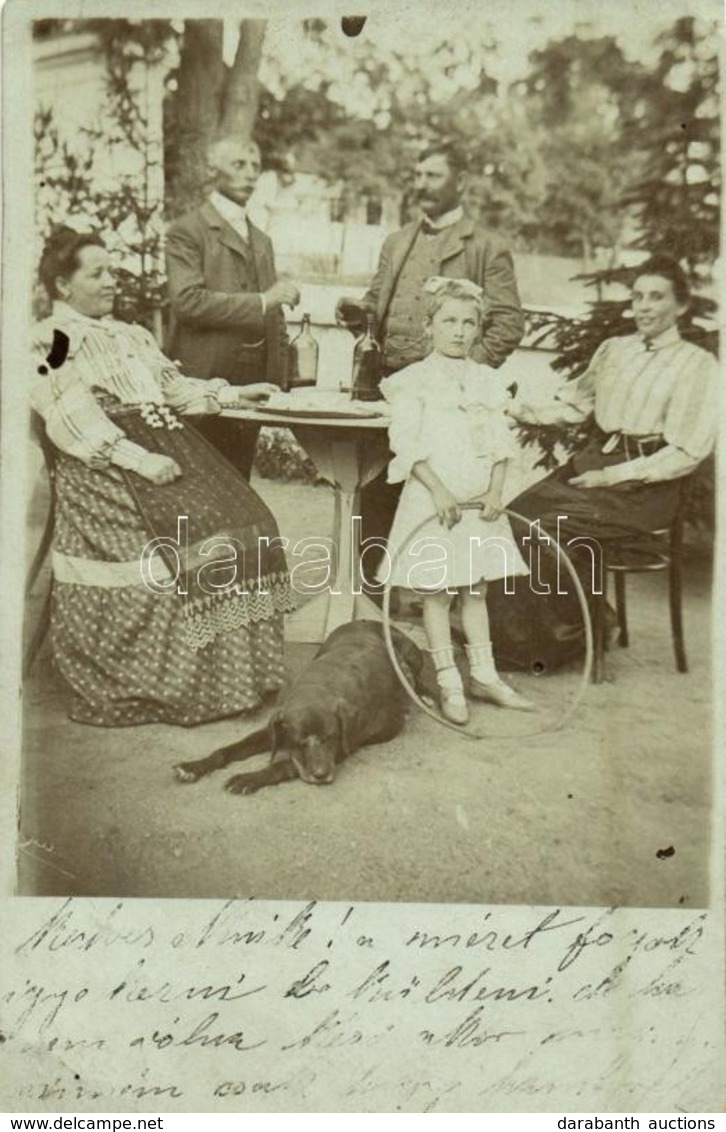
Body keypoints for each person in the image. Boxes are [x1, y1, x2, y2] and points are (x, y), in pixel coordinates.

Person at [31, 227, 296, 727]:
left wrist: (237, 393)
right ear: (64, 286)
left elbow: (174, 391)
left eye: (111, 270)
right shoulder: (53, 339)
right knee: (197, 535)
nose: (111, 282)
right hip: (107, 469)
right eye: (98, 273)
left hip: (164, 445)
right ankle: (177, 682)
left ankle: (239, 677)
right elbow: (69, 417)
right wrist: (137, 459)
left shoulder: (128, 334)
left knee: (249, 517)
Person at [492, 253, 719, 668]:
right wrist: (513, 408)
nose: (644, 306)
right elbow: (576, 405)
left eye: (656, 297)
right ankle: (520, 638)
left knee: (550, 527)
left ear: (681, 305)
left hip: (648, 485)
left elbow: (688, 451)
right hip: (597, 463)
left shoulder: (698, 366)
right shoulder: (614, 350)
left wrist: (613, 475)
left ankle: (571, 638)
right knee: (512, 516)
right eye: (637, 296)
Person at [335, 143, 525, 583]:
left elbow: (508, 324)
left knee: (440, 502)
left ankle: (440, 600)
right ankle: (375, 601)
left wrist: (460, 380)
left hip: (447, 403)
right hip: (391, 390)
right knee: (377, 491)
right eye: (418, 175)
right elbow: (376, 308)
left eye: (433, 176)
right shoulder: (398, 241)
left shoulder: (487, 246)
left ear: (460, 182)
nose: (421, 184)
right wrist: (356, 315)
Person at [377, 277, 533, 725]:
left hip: (479, 500)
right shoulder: (413, 382)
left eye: (469, 322)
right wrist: (438, 490)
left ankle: (483, 674)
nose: (459, 331)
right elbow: (405, 443)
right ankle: (448, 678)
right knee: (438, 592)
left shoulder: (488, 381)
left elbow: (502, 442)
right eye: (449, 321)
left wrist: (496, 491)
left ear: (479, 328)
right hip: (435, 500)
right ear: (429, 326)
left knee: (476, 588)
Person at [165, 137, 300, 479]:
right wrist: (263, 300)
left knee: (238, 483)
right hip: (202, 380)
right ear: (212, 170)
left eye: (255, 167)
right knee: (199, 487)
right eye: (239, 165)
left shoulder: (262, 240)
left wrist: (282, 379)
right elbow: (187, 302)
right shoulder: (188, 232)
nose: (250, 174)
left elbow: (275, 319)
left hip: (252, 385)